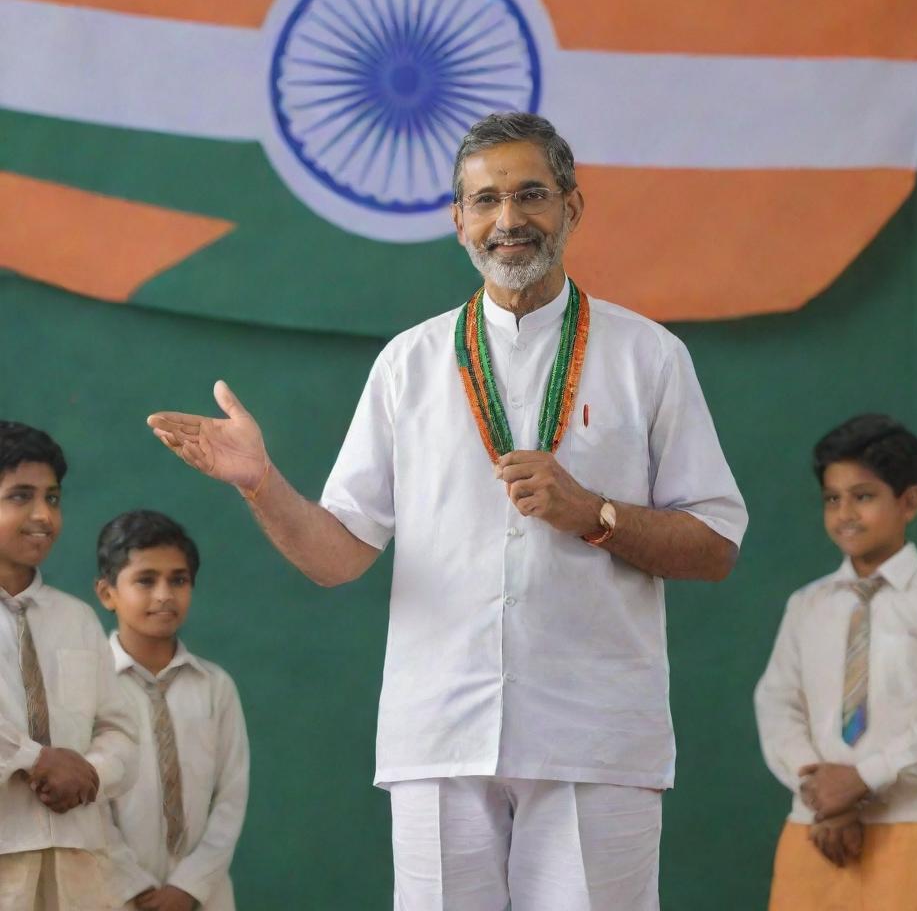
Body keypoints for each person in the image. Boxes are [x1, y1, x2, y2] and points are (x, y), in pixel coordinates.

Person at [147, 112, 747, 910]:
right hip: (438, 731)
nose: (508, 220)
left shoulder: (650, 357)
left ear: (573, 206)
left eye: (531, 194)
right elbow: (339, 556)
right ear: (455, 218)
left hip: (595, 734)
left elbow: (714, 545)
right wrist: (262, 483)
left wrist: (595, 514)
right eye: (486, 199)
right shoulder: (410, 362)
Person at [754, 413, 917, 911]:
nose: (845, 514)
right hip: (817, 832)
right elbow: (777, 704)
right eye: (832, 499)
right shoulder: (807, 604)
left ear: (910, 501)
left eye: (863, 496)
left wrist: (863, 780)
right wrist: (819, 790)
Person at [0, 421, 138, 910]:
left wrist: (91, 773)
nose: (43, 515)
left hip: (79, 864)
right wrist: (35, 760)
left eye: (52, 499)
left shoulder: (77, 619)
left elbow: (120, 731)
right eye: (20, 496)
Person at [94, 510, 249, 911]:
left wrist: (188, 887)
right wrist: (133, 885)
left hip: (205, 896)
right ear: (107, 593)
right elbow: (86, 803)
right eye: (146, 580)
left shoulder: (216, 688)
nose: (164, 594)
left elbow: (231, 798)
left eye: (178, 580)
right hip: (111, 894)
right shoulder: (88, 689)